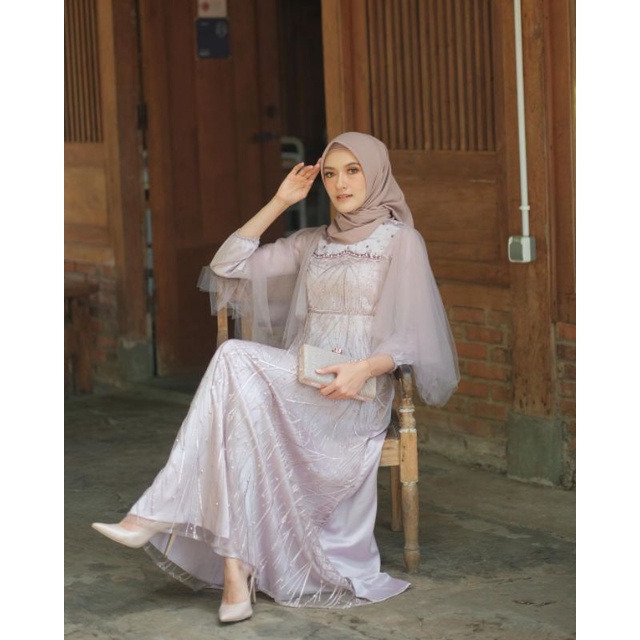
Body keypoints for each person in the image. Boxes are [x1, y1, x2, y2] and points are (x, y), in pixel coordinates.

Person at [92, 132, 459, 623]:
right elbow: (227, 266)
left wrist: (365, 369)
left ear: (376, 173)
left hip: (357, 388)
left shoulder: (401, 241)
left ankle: (162, 518)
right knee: (235, 410)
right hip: (302, 380)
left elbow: (413, 333)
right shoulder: (312, 242)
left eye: (353, 171)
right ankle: (234, 571)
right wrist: (280, 201)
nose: (340, 183)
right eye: (331, 174)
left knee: (232, 359)